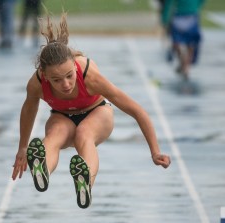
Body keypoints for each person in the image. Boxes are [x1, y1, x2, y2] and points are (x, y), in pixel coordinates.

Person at [11, 13, 171, 209]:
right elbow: (29, 109)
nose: (66, 84)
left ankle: (85, 182)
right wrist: (22, 147)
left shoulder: (89, 76)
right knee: (54, 134)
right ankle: (42, 168)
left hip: (97, 113)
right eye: (56, 80)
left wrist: (155, 151)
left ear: (75, 67)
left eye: (69, 76)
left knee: (84, 134)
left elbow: (136, 110)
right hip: (62, 117)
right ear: (44, 75)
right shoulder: (36, 83)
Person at [161, 0, 205, 80]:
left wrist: (196, 7)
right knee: (176, 43)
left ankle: (186, 67)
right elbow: (169, 4)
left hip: (191, 16)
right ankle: (183, 62)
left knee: (191, 44)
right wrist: (165, 19)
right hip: (179, 17)